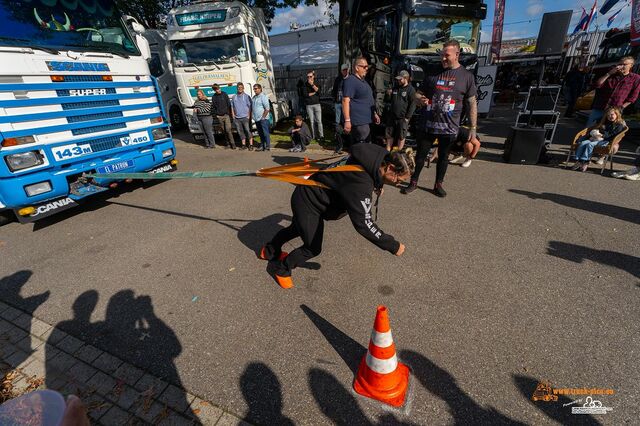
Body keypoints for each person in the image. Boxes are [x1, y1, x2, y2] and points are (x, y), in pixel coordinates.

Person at [259, 144, 413, 288]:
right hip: (308, 201)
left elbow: (368, 176)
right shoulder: (361, 185)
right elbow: (364, 224)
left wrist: (377, 184)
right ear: (390, 167)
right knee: (312, 247)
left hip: (311, 196)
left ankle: (269, 250)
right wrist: (393, 245)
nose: (398, 184)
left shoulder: (377, 156)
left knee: (297, 228)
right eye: (398, 180)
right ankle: (283, 268)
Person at [402, 39, 478, 197]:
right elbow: (418, 93)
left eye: (447, 55)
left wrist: (473, 128)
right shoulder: (433, 72)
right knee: (421, 156)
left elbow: (472, 103)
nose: (443, 58)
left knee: (443, 158)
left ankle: (438, 185)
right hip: (427, 125)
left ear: (457, 54)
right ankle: (413, 182)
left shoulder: (466, 76)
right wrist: (418, 99)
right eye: (442, 55)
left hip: (449, 128)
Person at [588, 56, 640, 126]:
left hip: (615, 110)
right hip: (600, 106)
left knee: (608, 131)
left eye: (624, 64)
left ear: (631, 65)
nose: (620, 66)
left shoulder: (635, 78)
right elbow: (597, 84)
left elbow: (633, 96)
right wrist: (609, 74)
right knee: (589, 128)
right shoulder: (612, 74)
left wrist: (621, 107)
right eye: (619, 64)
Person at [572, 106, 626, 172]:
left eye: (612, 114)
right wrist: (595, 133)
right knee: (583, 143)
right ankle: (579, 160)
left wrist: (602, 135)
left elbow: (613, 135)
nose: (610, 117)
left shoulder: (619, 125)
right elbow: (597, 127)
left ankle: (585, 161)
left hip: (606, 140)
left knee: (590, 145)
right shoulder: (605, 122)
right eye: (608, 115)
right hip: (596, 138)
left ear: (617, 114)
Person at [342, 57, 380, 144]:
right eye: (364, 67)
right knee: (363, 148)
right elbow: (345, 101)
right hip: (359, 121)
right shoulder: (351, 80)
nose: (366, 69)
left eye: (367, 67)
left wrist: (374, 113)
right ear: (356, 68)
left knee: (366, 146)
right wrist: (347, 121)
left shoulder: (364, 81)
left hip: (367, 120)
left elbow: (368, 99)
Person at [384, 70, 417, 152]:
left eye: (400, 79)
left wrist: (407, 117)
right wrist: (388, 94)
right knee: (389, 134)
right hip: (392, 116)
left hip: (402, 118)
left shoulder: (411, 90)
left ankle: (398, 153)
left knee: (401, 136)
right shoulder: (395, 88)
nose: (398, 81)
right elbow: (388, 100)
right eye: (398, 79)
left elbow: (413, 104)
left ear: (405, 78)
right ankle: (387, 151)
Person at [211, 84, 236, 149]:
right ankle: (227, 144)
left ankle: (233, 144)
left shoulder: (224, 94)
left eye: (219, 88)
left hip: (226, 115)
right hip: (219, 116)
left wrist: (229, 113)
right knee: (223, 131)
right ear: (214, 90)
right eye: (216, 89)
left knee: (228, 130)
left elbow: (228, 104)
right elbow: (213, 107)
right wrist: (216, 115)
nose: (218, 90)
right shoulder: (214, 97)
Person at [332, 63, 350, 153]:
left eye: (346, 69)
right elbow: (334, 90)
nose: (345, 71)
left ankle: (347, 143)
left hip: (347, 104)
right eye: (343, 70)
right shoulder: (338, 79)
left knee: (346, 123)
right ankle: (339, 145)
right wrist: (334, 100)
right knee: (337, 124)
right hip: (338, 103)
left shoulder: (350, 79)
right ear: (341, 71)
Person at [232, 82, 254, 150]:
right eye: (238, 88)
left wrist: (248, 116)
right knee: (240, 132)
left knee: (247, 131)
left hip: (245, 117)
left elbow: (250, 106)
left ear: (243, 88)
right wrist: (233, 115)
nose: (240, 89)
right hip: (237, 118)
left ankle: (251, 145)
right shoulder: (234, 97)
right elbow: (232, 106)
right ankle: (243, 145)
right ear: (237, 88)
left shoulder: (246, 96)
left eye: (241, 87)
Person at [305, 70, 324, 141]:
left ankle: (321, 136)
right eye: (308, 77)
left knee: (319, 121)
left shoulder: (317, 83)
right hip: (309, 105)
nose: (309, 78)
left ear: (313, 76)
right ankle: (314, 136)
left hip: (317, 104)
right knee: (312, 121)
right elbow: (305, 95)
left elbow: (319, 92)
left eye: (310, 76)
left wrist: (312, 85)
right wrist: (314, 92)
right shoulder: (305, 84)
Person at [252, 84, 271, 151]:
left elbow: (267, 108)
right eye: (254, 88)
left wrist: (263, 117)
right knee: (260, 133)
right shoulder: (254, 97)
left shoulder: (263, 97)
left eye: (256, 88)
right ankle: (262, 145)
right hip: (257, 119)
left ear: (260, 89)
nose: (254, 90)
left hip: (263, 119)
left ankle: (268, 146)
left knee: (265, 133)